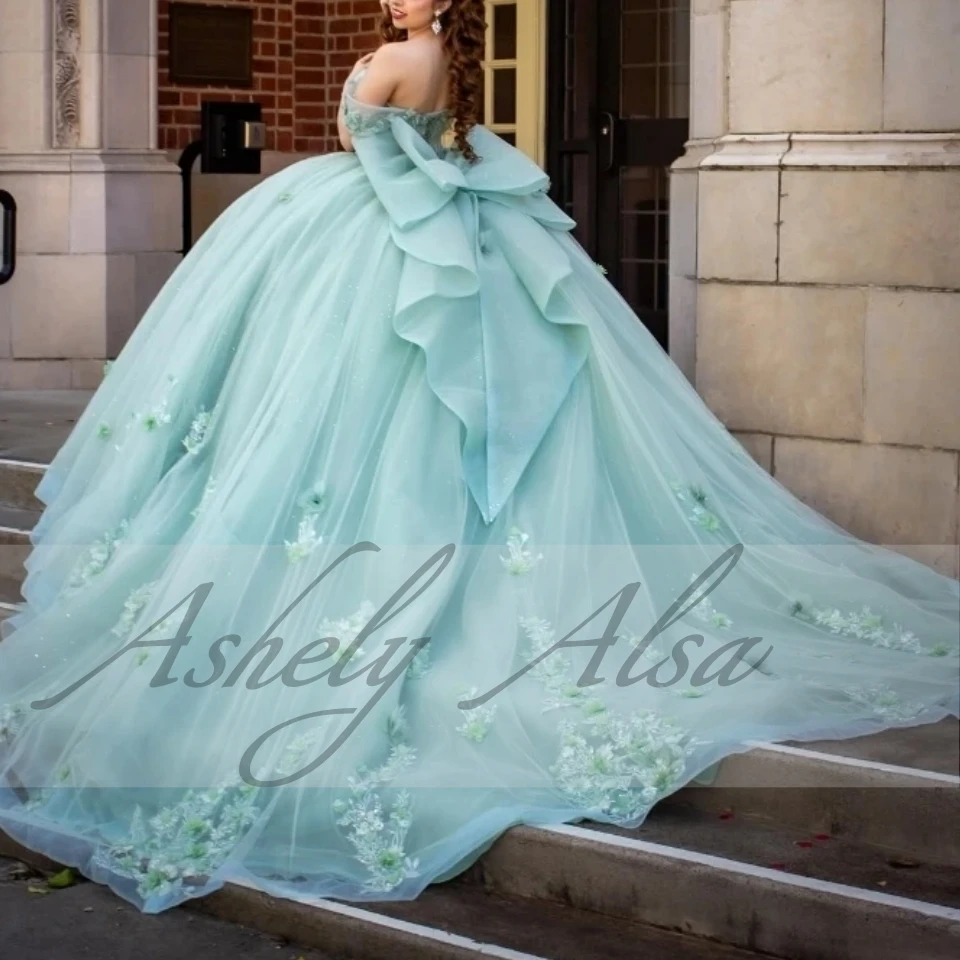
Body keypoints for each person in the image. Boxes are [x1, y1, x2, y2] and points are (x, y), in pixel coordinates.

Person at [0, 0, 956, 913]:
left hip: (378, 235)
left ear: (442, 11)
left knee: (381, 420)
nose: (394, 5)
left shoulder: (409, 62)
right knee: (336, 416)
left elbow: (368, 146)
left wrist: (376, 124)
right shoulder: (426, 65)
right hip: (374, 232)